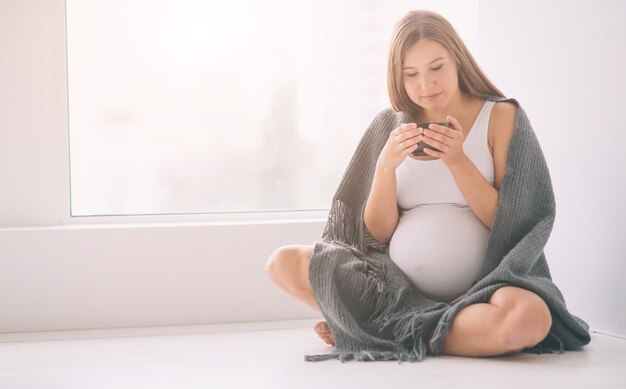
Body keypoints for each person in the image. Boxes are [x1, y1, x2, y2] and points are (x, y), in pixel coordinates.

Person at [266, 10, 561, 358]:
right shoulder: (388, 125)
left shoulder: (499, 116)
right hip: (390, 291)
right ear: (398, 77)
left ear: (458, 60)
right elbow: (376, 234)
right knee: (281, 264)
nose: (426, 84)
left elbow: (511, 223)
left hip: (481, 290)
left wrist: (457, 160)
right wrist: (385, 168)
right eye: (412, 74)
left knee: (530, 319)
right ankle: (428, 330)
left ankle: (375, 329)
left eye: (436, 68)